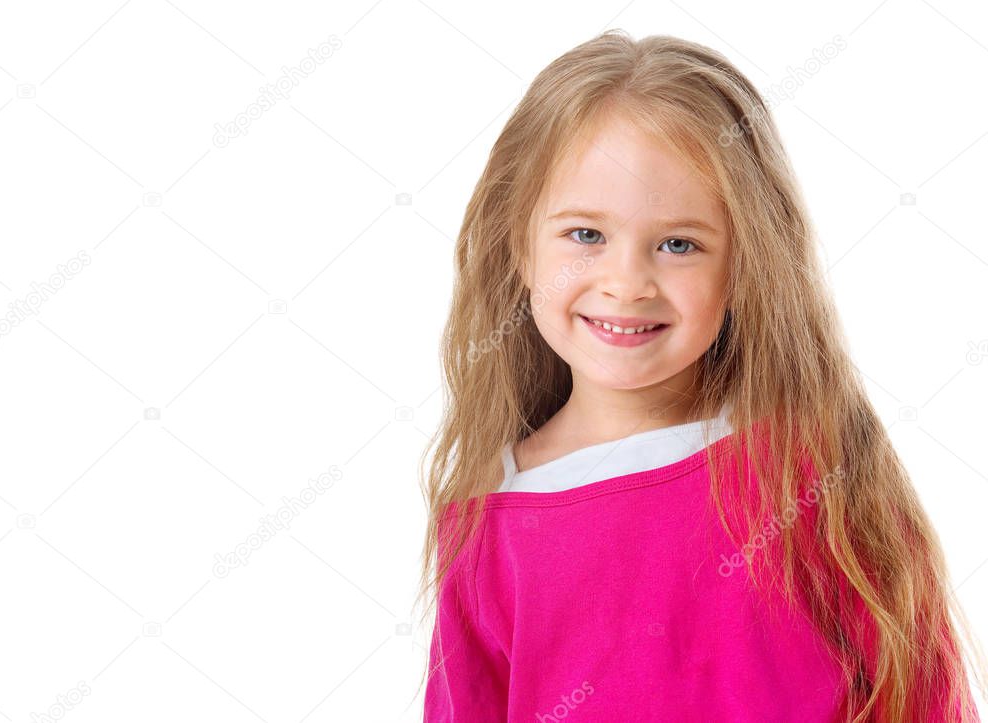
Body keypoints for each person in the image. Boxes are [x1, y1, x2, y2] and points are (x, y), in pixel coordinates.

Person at [414, 30, 985, 721]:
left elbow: (918, 689)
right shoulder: (489, 521)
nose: (627, 283)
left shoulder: (812, 465)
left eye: (679, 243)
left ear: (744, 265)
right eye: (586, 235)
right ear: (519, 247)